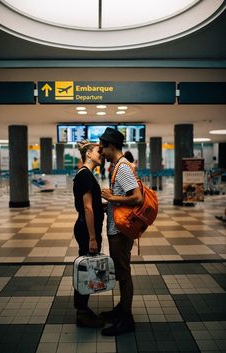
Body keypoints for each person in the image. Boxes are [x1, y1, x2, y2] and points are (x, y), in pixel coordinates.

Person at [98, 128, 143, 336]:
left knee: (124, 275)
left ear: (112, 146)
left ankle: (127, 318)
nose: (101, 151)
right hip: (117, 227)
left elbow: (137, 198)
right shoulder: (117, 165)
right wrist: (108, 202)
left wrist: (111, 198)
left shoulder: (123, 167)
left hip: (120, 231)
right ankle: (121, 309)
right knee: (122, 272)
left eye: (103, 147)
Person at [73, 140, 104, 328]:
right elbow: (87, 208)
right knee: (87, 271)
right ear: (89, 154)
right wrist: (93, 237)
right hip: (86, 230)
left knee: (88, 269)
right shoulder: (85, 175)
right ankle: (82, 313)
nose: (102, 153)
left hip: (86, 228)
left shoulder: (86, 174)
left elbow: (92, 206)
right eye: (98, 151)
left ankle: (83, 310)